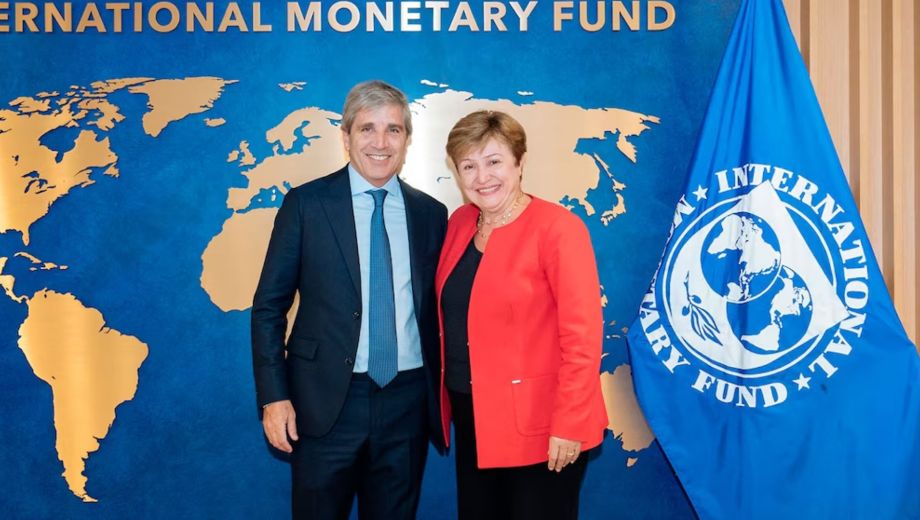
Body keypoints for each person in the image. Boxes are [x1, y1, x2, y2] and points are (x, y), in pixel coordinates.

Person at [251, 80, 448, 519]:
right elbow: (268, 307)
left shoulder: (431, 214)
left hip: (407, 402)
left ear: (408, 140)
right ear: (345, 137)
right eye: (367, 129)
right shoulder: (306, 204)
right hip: (323, 405)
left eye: (394, 130)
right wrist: (274, 397)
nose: (381, 143)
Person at [436, 110, 608, 520]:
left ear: (519, 162)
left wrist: (568, 424)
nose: (482, 177)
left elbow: (582, 339)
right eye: (469, 166)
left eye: (494, 161)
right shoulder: (460, 223)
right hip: (473, 416)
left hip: (542, 426)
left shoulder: (559, 229)